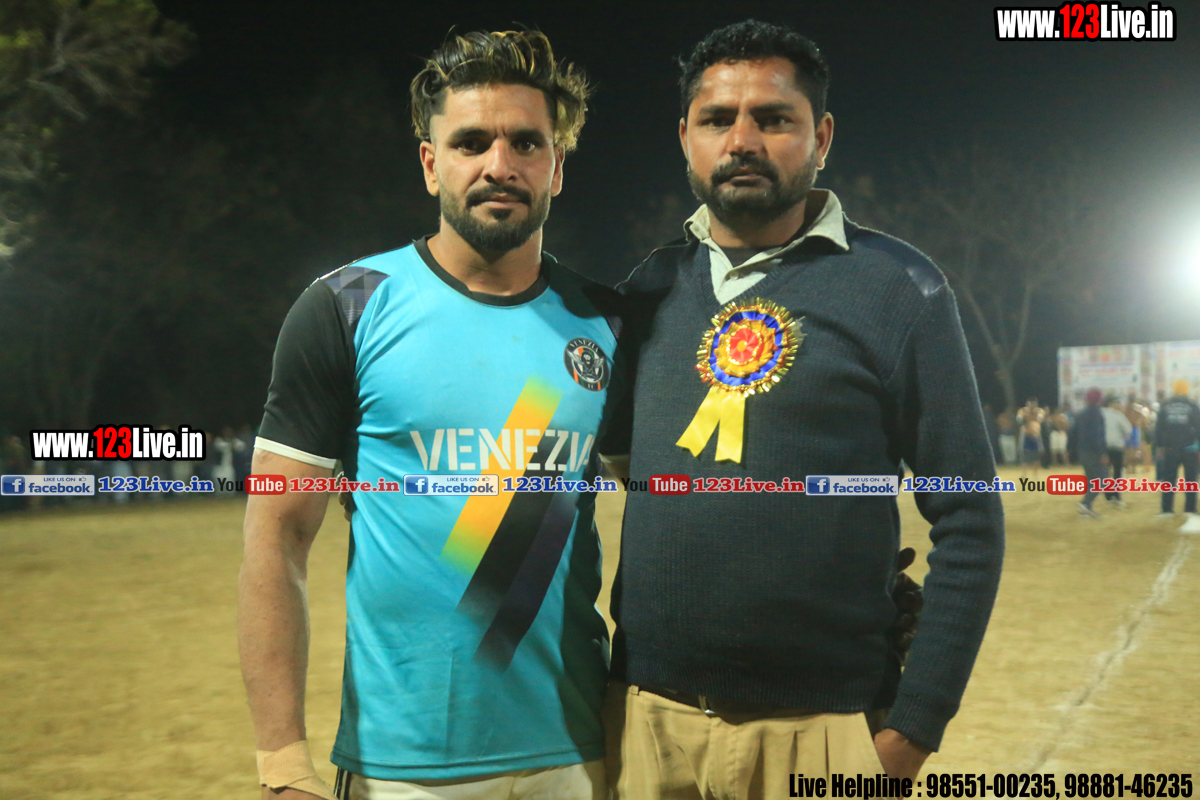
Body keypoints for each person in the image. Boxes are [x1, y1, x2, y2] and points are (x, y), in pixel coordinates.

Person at [599, 21, 1003, 797]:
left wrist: (914, 727)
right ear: (686, 138)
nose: (742, 140)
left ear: (820, 137)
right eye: (717, 119)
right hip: (648, 724)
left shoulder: (900, 288)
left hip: (825, 731)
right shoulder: (645, 290)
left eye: (773, 118)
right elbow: (621, 463)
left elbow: (970, 518)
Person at [238, 30, 619, 800]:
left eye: (526, 142)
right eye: (471, 142)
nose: (499, 164)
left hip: (576, 756)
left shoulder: (607, 321)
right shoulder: (346, 306)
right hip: (399, 768)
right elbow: (276, 539)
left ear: (557, 165)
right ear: (429, 163)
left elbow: (670, 523)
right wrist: (281, 764)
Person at [1154, 379, 1200, 533]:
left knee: (1169, 479)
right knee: (1191, 479)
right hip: (1190, 448)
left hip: (1170, 448)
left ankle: (1166, 509)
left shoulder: (1165, 404)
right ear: (1186, 390)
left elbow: (1159, 427)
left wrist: (1160, 446)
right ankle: (1190, 509)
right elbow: (1198, 426)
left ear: (1174, 390)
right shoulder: (1192, 404)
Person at [1076, 388, 1108, 519]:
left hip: (1083, 451)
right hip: (1094, 452)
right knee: (1102, 479)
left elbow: (1073, 433)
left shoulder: (1081, 413)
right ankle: (1085, 502)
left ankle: (1086, 510)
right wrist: (1102, 453)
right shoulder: (1096, 413)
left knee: (1091, 480)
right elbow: (1097, 435)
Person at [1100, 396, 1132, 507]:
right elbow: (1128, 430)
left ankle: (1108, 494)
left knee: (1104, 472)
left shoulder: (1100, 414)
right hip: (1116, 447)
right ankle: (1116, 495)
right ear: (1112, 404)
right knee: (1117, 472)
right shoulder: (1118, 415)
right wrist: (1123, 437)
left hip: (1102, 447)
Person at [1016, 397, 1045, 478]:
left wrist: (1029, 416)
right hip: (1026, 435)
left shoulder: (1039, 411)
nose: (1031, 406)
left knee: (1036, 456)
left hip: (1035, 435)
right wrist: (1027, 416)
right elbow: (1019, 419)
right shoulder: (1022, 411)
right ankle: (1024, 474)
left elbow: (1040, 418)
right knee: (1024, 455)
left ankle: (1035, 475)